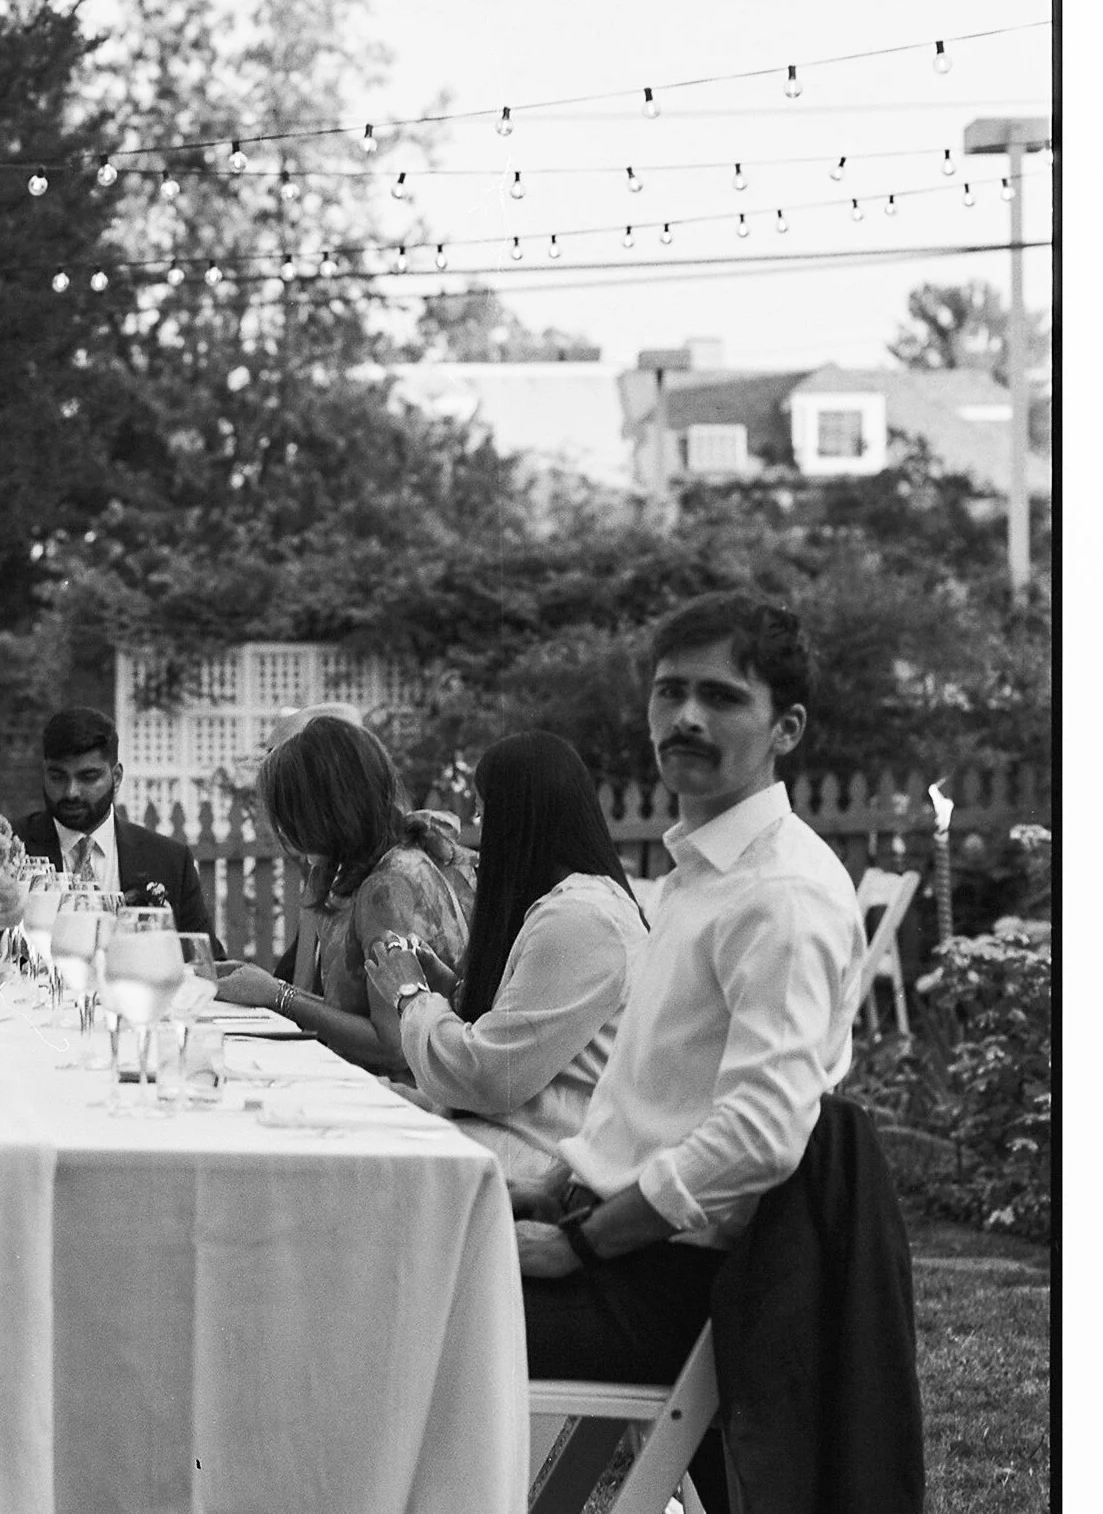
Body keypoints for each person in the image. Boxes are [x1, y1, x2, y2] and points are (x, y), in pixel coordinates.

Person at [510, 591, 868, 1416]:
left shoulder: (779, 894)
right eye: (669, 691)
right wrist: (561, 1181)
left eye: (722, 696)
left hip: (672, 1288)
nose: (686, 716)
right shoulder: (701, 876)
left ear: (787, 728)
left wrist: (578, 1243)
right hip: (620, 1244)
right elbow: (662, 1089)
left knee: (390, 1320)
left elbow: (759, 1134)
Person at [365, 730, 650, 1185]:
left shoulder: (581, 918)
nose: (479, 830)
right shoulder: (571, 908)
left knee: (366, 1158)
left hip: (543, 1158)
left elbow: (492, 1077)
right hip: (512, 1136)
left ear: (518, 818)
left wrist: (411, 995)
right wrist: (449, 993)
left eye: (483, 811)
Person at [215, 712, 474, 1069]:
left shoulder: (385, 890)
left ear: (327, 810)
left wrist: (278, 996)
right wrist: (257, 985)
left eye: (289, 813)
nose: (282, 830)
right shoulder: (394, 860)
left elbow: (394, 1045)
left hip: (407, 1101)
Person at [15, 706, 215, 937]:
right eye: (58, 777)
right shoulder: (10, 849)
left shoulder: (169, 860)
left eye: (88, 777)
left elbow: (204, 960)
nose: (71, 792)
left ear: (116, 777)